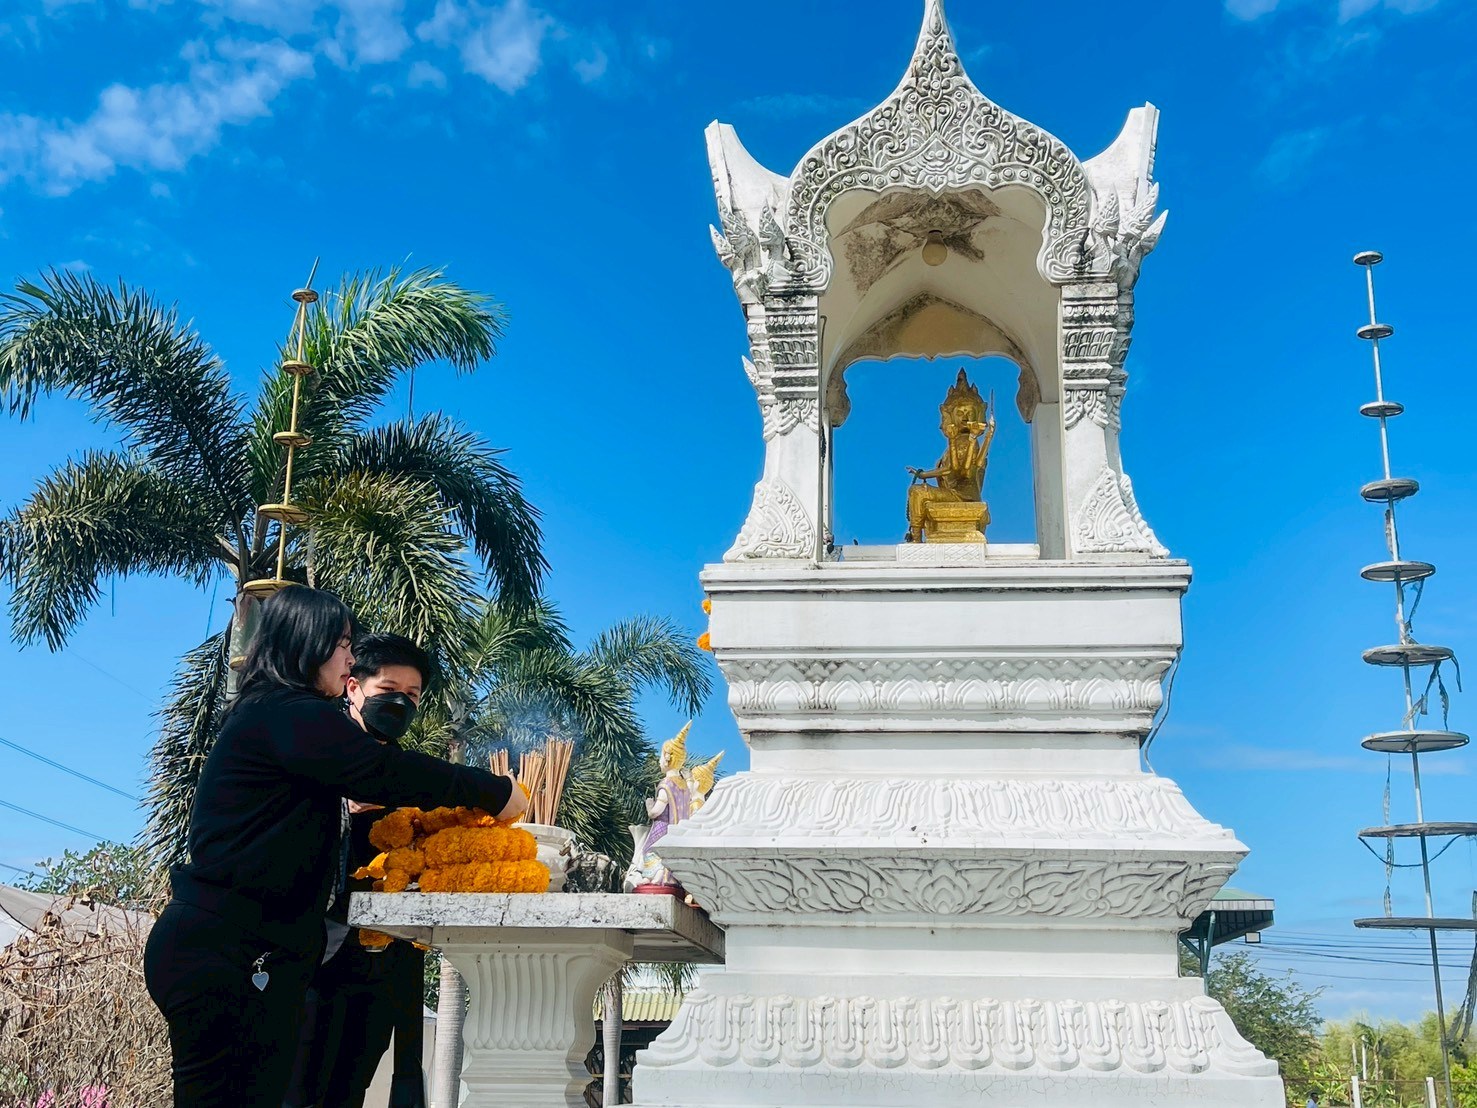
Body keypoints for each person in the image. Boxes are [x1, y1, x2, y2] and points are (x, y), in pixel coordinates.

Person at [144, 587, 525, 1108]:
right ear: (307, 642)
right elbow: (386, 770)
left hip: (241, 950)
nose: (349, 658)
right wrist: (494, 791)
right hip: (227, 952)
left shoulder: (271, 713)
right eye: (343, 644)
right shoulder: (286, 712)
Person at [284, 632, 436, 1108]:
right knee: (294, 1088)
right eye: (388, 690)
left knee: (348, 1092)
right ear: (353, 687)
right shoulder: (315, 750)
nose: (400, 703)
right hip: (314, 960)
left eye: (412, 695)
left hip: (381, 968)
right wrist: (341, 808)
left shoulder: (407, 774)